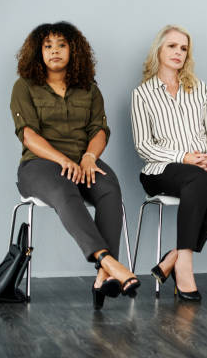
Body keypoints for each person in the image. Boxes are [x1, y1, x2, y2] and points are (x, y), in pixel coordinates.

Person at [10, 21, 139, 310]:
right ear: (38, 52)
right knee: (64, 189)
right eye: (47, 46)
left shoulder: (89, 89)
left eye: (61, 45)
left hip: (83, 161)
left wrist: (90, 157)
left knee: (109, 188)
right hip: (39, 166)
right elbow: (28, 135)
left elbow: (99, 130)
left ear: (73, 50)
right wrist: (63, 160)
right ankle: (110, 263)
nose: (54, 51)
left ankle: (103, 277)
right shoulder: (25, 87)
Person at [131, 25, 207, 302]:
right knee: (196, 179)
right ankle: (185, 270)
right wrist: (184, 157)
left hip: (201, 166)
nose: (178, 52)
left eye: (183, 48)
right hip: (160, 170)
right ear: (159, 49)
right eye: (172, 46)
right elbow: (143, 146)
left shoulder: (199, 88)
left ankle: (176, 255)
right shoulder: (142, 94)